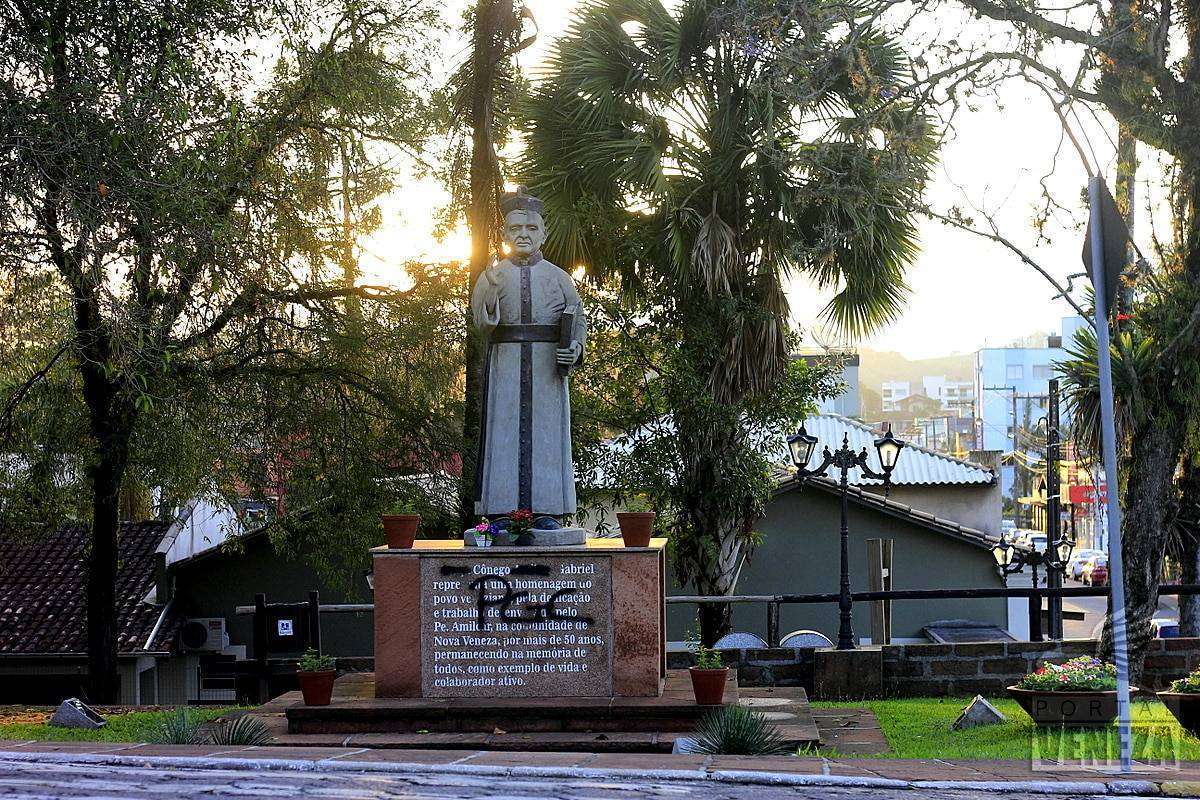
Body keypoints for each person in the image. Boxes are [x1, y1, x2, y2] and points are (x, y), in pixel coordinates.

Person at [471, 188, 587, 521]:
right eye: (516, 229)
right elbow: (483, 322)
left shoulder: (559, 278)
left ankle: (548, 511)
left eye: (531, 229)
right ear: (505, 234)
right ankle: (503, 512)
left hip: (547, 370)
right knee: (503, 434)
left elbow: (577, 321)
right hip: (505, 366)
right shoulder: (491, 276)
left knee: (548, 438)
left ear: (543, 235)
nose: (523, 235)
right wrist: (490, 292)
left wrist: (574, 350)